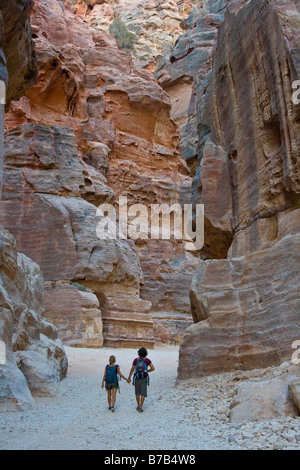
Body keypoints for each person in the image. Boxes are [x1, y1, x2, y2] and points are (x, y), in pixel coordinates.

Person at [128, 347, 155, 412]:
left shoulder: (135, 360)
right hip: (144, 377)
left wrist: (129, 377)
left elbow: (132, 369)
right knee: (143, 392)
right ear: (146, 353)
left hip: (137, 377)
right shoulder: (147, 360)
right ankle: (141, 407)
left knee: (137, 392)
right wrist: (147, 371)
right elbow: (153, 368)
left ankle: (138, 405)